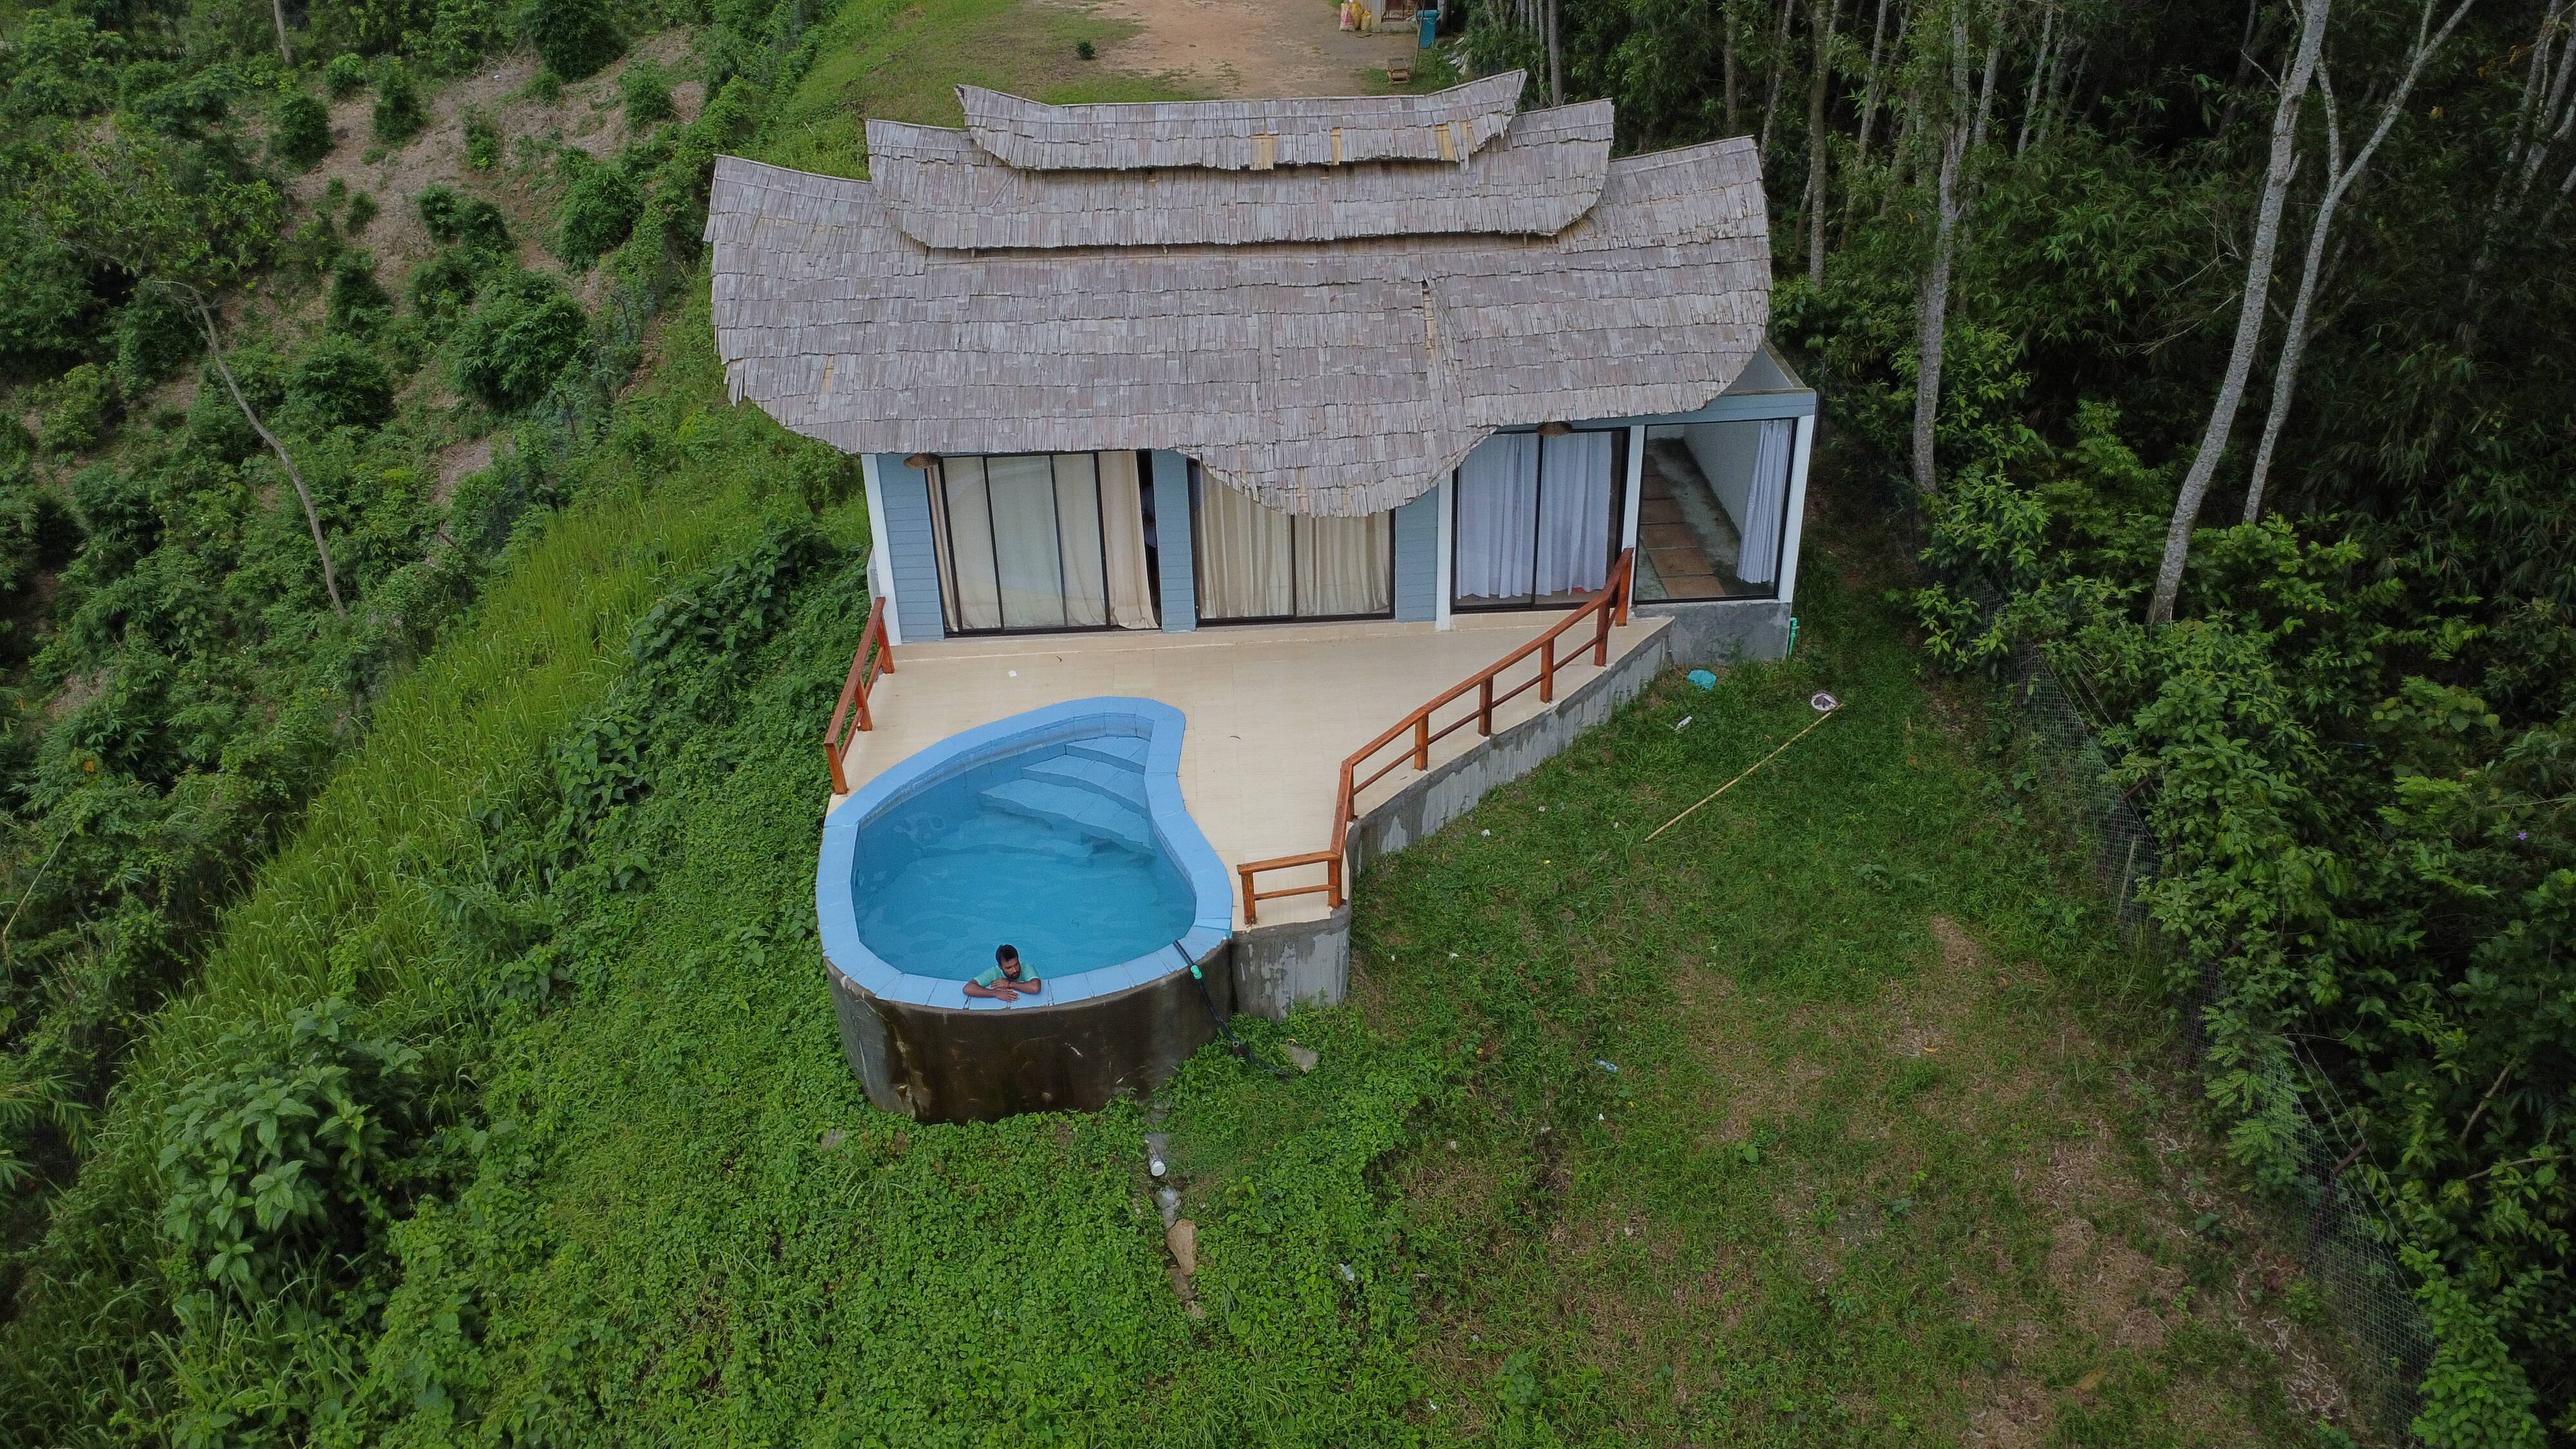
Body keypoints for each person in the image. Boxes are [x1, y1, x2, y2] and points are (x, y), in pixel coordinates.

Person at [964, 943, 1042, 1002]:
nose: (1015, 970)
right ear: (1001, 967)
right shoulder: (994, 972)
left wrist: (1009, 984)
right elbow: (968, 988)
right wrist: (996, 993)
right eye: (1009, 968)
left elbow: (1035, 988)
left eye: (1016, 964)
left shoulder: (1026, 967)